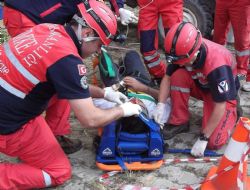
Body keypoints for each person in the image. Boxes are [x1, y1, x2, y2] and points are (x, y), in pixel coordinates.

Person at [0, 1, 142, 189]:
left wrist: (104, 93)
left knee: (63, 96)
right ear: (87, 34)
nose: (98, 51)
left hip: (12, 104)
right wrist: (122, 110)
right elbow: (90, 119)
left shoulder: (49, 29)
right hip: (10, 124)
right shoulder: (66, 60)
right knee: (58, 172)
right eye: (99, 44)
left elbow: (69, 84)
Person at [153, 22, 239, 157]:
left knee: (214, 142)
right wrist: (161, 104)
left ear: (194, 53)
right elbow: (167, 78)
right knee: (178, 76)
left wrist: (203, 138)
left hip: (221, 97)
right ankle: (179, 121)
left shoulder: (217, 64)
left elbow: (220, 105)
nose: (178, 63)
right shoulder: (180, 51)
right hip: (201, 83)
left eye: (181, 61)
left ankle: (234, 111)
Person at [137, 0, 183, 80]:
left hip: (171, 3)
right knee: (147, 49)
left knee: (176, 47)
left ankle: (177, 78)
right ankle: (160, 77)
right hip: (147, 4)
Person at [213, 0, 250, 91]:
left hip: (242, 3)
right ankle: (219, 70)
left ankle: (242, 76)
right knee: (218, 39)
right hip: (222, 2)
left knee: (242, 41)